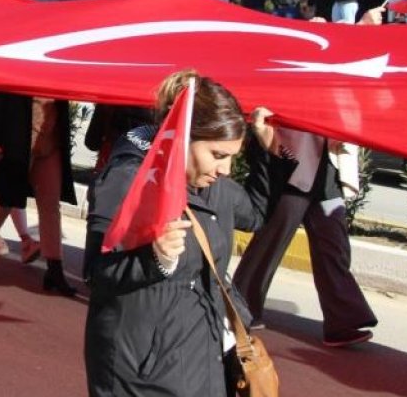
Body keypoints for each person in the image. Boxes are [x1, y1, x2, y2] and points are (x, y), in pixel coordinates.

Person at [84, 70, 271, 396]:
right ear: (183, 138)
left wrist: (266, 155)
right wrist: (153, 258)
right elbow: (96, 272)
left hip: (205, 360)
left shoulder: (216, 187)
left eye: (232, 158)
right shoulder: (129, 180)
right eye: (218, 155)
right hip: (142, 376)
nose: (225, 170)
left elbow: (256, 215)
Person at [232, 125, 378, 346]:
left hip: (329, 169)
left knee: (334, 245)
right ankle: (239, 308)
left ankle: (342, 321)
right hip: (292, 162)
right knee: (271, 240)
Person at [0, 94, 78, 295]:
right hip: (19, 133)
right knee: (5, 197)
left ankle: (55, 269)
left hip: (51, 138)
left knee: (50, 203)